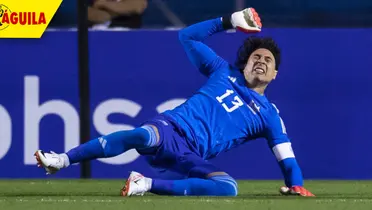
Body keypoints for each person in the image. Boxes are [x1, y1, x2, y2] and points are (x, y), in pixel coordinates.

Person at [35, 8, 314, 197]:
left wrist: (296, 186)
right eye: (257, 57)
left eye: (268, 60)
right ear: (246, 63)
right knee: (141, 135)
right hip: (170, 128)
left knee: (228, 187)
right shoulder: (222, 71)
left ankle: (144, 184)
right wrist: (228, 21)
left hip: (190, 155)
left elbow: (288, 161)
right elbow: (187, 36)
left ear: (275, 74)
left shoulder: (269, 116)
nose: (262, 61)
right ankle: (61, 160)